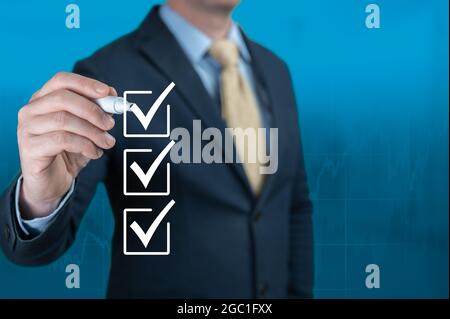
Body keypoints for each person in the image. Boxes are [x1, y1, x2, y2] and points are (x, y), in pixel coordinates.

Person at [0, 0, 313, 298]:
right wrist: (40, 199)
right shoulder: (107, 74)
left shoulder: (276, 71)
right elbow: (44, 244)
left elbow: (293, 205)